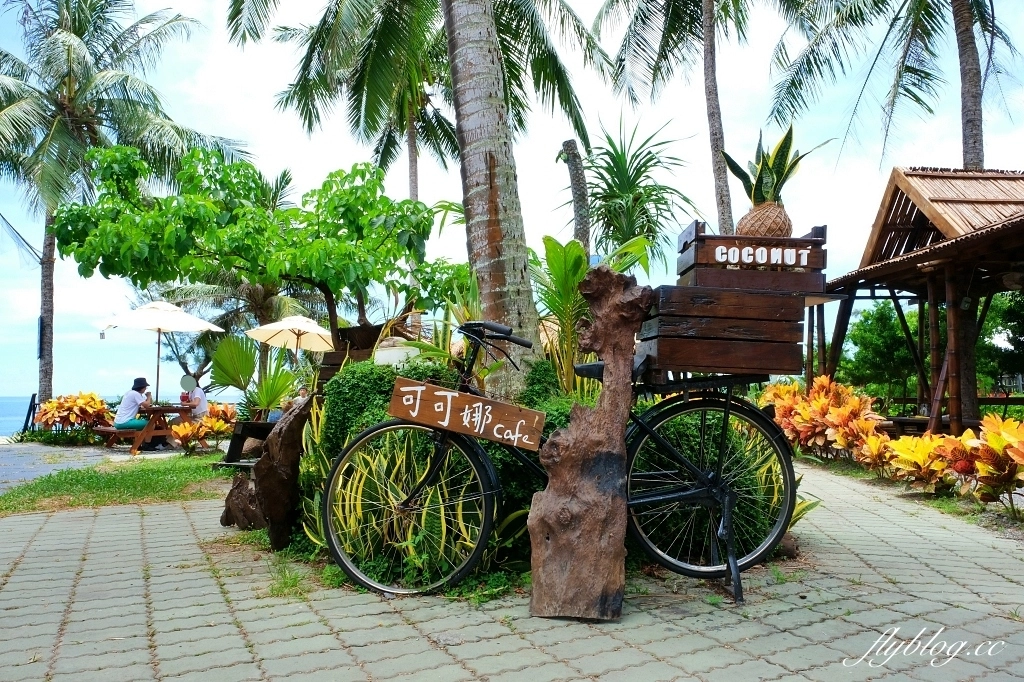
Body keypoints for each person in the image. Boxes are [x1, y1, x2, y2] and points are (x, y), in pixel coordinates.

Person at [113, 378, 164, 450]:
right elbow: (147, 405)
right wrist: (149, 396)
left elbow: (145, 404)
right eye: (145, 387)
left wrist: (147, 399)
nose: (146, 389)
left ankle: (139, 444)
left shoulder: (129, 393)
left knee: (144, 425)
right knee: (151, 424)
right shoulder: (135, 394)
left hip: (118, 422)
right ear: (142, 387)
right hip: (125, 422)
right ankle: (147, 445)